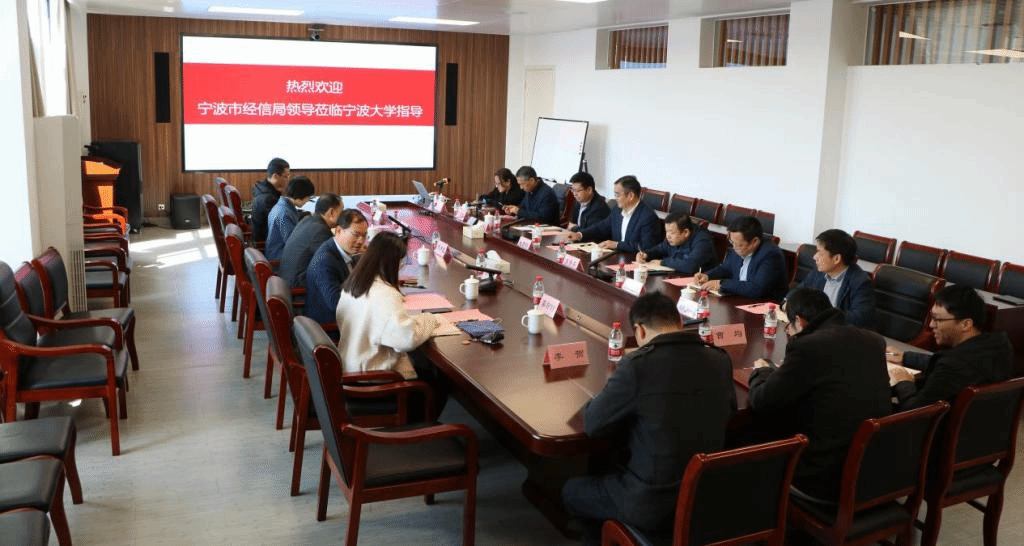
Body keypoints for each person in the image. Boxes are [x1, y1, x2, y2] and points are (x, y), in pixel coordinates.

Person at [561, 292, 735, 544]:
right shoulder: (720, 360)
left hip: (653, 505)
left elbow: (593, 423)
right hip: (704, 496)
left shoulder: (638, 366)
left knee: (571, 491)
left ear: (640, 331)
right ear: (679, 321)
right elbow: (729, 411)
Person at [747, 288, 891, 501]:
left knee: (754, 436)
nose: (789, 331)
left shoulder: (808, 347)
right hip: (875, 472)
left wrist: (762, 371)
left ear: (799, 321)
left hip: (823, 479)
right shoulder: (874, 341)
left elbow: (761, 400)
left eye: (788, 326)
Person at [887, 285, 1012, 411]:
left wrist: (904, 382)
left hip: (929, 421)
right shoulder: (996, 346)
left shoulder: (953, 365)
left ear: (966, 324)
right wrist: (906, 357)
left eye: (937, 319)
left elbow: (914, 410)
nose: (931, 324)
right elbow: (944, 363)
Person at [335, 232, 439, 381]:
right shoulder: (385, 295)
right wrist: (430, 319)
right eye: (401, 262)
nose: (401, 267)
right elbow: (406, 340)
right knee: (435, 377)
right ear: (392, 262)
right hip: (372, 377)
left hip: (350, 365)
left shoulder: (354, 284)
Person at [794, 229, 875, 328]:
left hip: (839, 333)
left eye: (819, 252)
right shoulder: (819, 272)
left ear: (836, 259)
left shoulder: (860, 282)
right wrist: (786, 302)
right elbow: (799, 291)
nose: (814, 257)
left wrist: (820, 316)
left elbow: (860, 319)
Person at [694, 215, 788, 301]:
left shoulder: (770, 255)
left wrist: (721, 284)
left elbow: (757, 289)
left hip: (762, 305)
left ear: (754, 241)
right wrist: (707, 276)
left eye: (739, 244)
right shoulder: (738, 248)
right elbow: (725, 269)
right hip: (739, 299)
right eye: (732, 242)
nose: (734, 247)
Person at [303, 210, 368, 325]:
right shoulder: (325, 261)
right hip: (329, 326)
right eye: (356, 235)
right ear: (338, 231)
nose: (361, 241)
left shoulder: (339, 249)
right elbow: (337, 305)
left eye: (364, 236)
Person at [567, 175, 663, 253]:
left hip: (635, 261)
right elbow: (601, 227)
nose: (615, 198)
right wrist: (580, 234)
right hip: (615, 257)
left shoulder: (648, 217)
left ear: (630, 196)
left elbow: (646, 247)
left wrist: (617, 245)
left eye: (617, 195)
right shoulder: (617, 210)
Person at [277, 193, 343, 288]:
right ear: (331, 213)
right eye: (341, 212)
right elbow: (335, 262)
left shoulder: (308, 220)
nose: (343, 216)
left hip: (287, 278)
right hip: (297, 285)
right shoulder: (320, 231)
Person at [636, 212, 718, 275]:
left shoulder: (702, 240)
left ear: (685, 232)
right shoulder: (671, 239)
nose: (668, 236)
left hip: (699, 284)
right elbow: (659, 249)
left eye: (671, 232)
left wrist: (663, 262)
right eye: (667, 231)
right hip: (677, 277)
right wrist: (646, 254)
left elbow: (691, 266)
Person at [264, 176, 315, 261]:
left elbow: (295, 215)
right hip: (278, 257)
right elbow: (293, 244)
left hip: (277, 252)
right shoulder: (284, 214)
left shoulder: (282, 205)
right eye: (308, 198)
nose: (307, 201)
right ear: (300, 197)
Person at [251, 157, 290, 244]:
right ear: (275, 176)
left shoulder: (261, 188)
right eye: (285, 177)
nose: (288, 180)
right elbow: (282, 226)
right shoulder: (269, 199)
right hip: (267, 245)